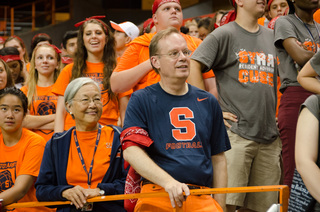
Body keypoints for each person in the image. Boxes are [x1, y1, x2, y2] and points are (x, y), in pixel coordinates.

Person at [122, 27, 230, 212]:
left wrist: (219, 205)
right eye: (174, 53)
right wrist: (168, 182)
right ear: (155, 61)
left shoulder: (208, 101)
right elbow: (131, 152)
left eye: (185, 52)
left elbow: (218, 158)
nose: (183, 58)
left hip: (201, 196)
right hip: (157, 193)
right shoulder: (141, 99)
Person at [189, 0, 282, 211]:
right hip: (236, 135)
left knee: (264, 208)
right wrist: (207, 109)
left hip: (269, 138)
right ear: (238, 1)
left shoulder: (271, 36)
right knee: (226, 205)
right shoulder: (224, 34)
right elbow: (195, 63)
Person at [35, 77, 126, 212]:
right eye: (85, 100)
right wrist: (64, 192)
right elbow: (42, 190)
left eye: (96, 99)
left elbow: (130, 182)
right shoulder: (57, 143)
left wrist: (101, 191)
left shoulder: (118, 137)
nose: (92, 105)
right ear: (69, 106)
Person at [111, 0, 216, 97]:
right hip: (152, 112)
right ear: (155, 18)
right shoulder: (140, 45)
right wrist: (152, 62)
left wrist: (213, 112)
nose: (174, 11)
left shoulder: (197, 43)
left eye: (177, 9)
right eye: (167, 8)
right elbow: (116, 85)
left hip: (190, 112)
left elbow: (212, 86)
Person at [274, 0, 319, 188]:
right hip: (295, 93)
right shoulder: (285, 22)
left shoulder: (318, 26)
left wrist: (309, 51)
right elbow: (299, 57)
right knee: (295, 170)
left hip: (317, 91)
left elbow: (304, 55)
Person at [52, 16, 121, 132]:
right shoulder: (69, 70)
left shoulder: (119, 68)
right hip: (74, 133)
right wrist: (57, 139)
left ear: (107, 38)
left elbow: (125, 111)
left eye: (98, 33)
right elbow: (60, 112)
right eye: (88, 33)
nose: (93, 36)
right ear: (82, 40)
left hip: (108, 134)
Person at [0, 87, 50, 212]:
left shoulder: (35, 142)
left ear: (25, 114)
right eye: (4, 109)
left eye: (16, 110)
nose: (10, 115)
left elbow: (20, 189)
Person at [20, 43, 61, 142]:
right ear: (34, 64)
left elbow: (70, 122)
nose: (45, 61)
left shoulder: (64, 90)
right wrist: (59, 116)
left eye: (50, 57)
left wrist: (34, 122)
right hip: (32, 145)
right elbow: (23, 122)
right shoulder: (24, 91)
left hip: (59, 144)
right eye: (40, 57)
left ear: (57, 64)